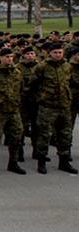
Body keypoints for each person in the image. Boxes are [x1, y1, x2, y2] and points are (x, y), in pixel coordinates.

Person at [33, 44, 76, 174]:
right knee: (44, 135)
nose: (58, 55)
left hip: (64, 106)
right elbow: (32, 84)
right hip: (48, 107)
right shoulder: (42, 67)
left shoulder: (67, 66)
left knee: (65, 135)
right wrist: (40, 98)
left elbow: (71, 82)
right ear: (49, 53)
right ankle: (41, 161)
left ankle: (64, 161)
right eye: (55, 52)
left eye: (60, 52)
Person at [0, 47, 26, 175]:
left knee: (16, 136)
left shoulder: (17, 72)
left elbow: (21, 88)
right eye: (7, 57)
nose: (9, 59)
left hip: (13, 110)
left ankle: (13, 162)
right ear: (0, 57)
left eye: (11, 57)